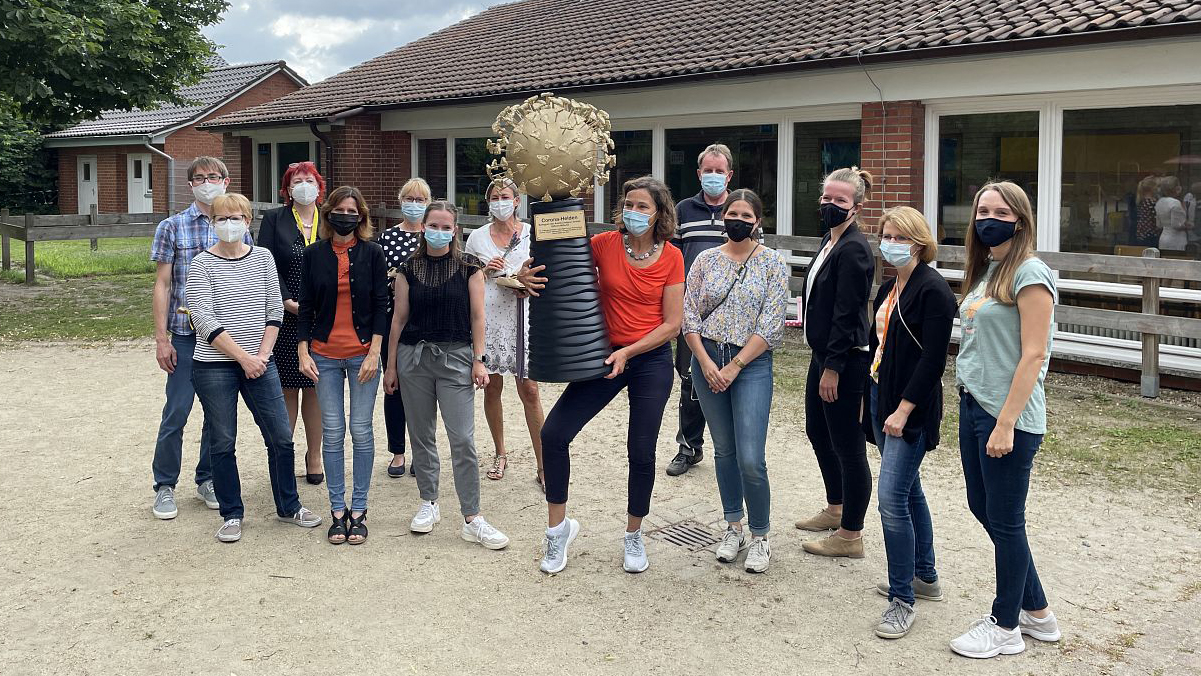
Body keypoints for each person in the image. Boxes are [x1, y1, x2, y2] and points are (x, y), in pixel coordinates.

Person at [518, 175, 685, 575]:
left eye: (643, 206)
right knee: (554, 434)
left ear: (659, 213)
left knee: (641, 451)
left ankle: (633, 535)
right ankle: (558, 531)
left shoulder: (673, 257)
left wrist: (629, 351)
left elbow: (672, 325)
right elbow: (559, 267)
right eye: (629, 204)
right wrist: (525, 273)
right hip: (603, 357)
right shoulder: (604, 244)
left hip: (649, 359)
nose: (633, 212)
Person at [950, 181, 1060, 659]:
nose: (987, 218)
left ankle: (1006, 625)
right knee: (985, 508)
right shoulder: (988, 269)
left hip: (1007, 416)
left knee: (1007, 521)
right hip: (974, 404)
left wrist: (1006, 423)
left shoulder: (1030, 272)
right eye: (981, 210)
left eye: (999, 211)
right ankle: (1038, 612)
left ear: (1020, 219)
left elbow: (1035, 354)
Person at [186, 192, 323, 542]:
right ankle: (232, 512)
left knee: (280, 435)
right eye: (222, 218)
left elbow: (273, 309)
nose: (229, 224)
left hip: (263, 363)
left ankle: (289, 506)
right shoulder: (201, 264)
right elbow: (202, 317)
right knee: (222, 440)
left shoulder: (262, 258)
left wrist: (261, 355)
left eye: (236, 218)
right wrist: (243, 358)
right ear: (213, 223)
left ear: (248, 222)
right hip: (215, 366)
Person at [382, 201, 511, 550]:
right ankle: (429, 502)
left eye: (446, 226)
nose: (439, 231)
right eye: (433, 225)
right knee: (421, 435)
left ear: (455, 229)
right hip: (414, 358)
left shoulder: (470, 266)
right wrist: (391, 364)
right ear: (423, 227)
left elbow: (478, 316)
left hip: (456, 357)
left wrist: (479, 360)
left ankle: (472, 516)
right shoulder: (408, 267)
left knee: (463, 439)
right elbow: (398, 319)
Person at [862, 206, 957, 640]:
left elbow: (933, 360)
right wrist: (874, 403)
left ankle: (902, 599)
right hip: (883, 396)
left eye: (900, 236)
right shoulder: (888, 288)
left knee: (890, 500)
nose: (890, 243)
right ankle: (924, 576)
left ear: (919, 242)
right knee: (909, 489)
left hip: (910, 407)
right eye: (886, 235)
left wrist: (903, 410)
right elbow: (877, 347)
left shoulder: (933, 291)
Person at [682, 189, 787, 574]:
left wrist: (734, 366)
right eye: (732, 213)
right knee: (723, 450)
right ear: (722, 217)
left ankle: (760, 535)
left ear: (757, 221)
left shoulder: (773, 264)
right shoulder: (706, 261)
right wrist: (707, 363)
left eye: (746, 214)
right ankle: (733, 526)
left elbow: (772, 324)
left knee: (751, 457)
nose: (738, 220)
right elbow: (689, 315)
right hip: (707, 358)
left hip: (751, 364)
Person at [148, 156, 252, 520]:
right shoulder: (172, 227)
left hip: (222, 339)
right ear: (190, 184)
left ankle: (207, 477)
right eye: (199, 178)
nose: (207, 182)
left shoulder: (237, 225)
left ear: (226, 181)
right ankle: (164, 484)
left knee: (217, 414)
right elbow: (163, 284)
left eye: (214, 176)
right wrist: (162, 339)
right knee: (177, 410)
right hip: (185, 335)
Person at [297, 186, 389, 545]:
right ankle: (338, 510)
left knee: (361, 430)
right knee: (333, 433)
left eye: (353, 211)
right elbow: (305, 306)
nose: (346, 216)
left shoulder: (373, 253)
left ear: (361, 217)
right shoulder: (314, 254)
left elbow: (382, 304)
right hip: (323, 355)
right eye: (340, 209)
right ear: (329, 212)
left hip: (363, 354)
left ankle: (361, 508)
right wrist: (303, 351)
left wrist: (374, 354)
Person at [794, 166, 875, 560]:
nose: (829, 205)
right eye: (826, 197)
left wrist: (833, 368)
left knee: (847, 445)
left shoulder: (855, 248)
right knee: (817, 431)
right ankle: (836, 505)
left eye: (839, 200)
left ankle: (850, 535)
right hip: (820, 354)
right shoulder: (829, 239)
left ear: (856, 207)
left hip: (843, 362)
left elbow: (848, 312)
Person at [464, 178, 546, 488]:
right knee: (492, 387)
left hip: (523, 317)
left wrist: (524, 279)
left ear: (516, 200)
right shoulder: (477, 238)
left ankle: (543, 464)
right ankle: (500, 452)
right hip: (489, 318)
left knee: (530, 390)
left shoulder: (529, 233)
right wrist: (485, 271)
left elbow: (542, 270)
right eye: (495, 197)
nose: (501, 201)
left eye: (506, 196)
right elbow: (469, 277)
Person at [666, 143, 734, 477]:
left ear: (729, 175)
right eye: (708, 170)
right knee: (692, 380)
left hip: (733, 315)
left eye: (719, 171)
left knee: (731, 379)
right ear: (699, 173)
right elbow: (673, 261)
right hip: (691, 312)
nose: (713, 176)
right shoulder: (683, 210)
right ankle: (688, 448)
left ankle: (731, 450)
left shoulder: (741, 208)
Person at [257, 161, 326, 484]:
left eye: (308, 179)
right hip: (285, 314)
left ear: (318, 185)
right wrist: (286, 301)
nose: (303, 185)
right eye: (297, 180)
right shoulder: (274, 219)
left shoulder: (330, 218)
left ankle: (315, 456)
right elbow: (266, 264)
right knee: (287, 388)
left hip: (325, 315)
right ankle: (284, 454)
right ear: (287, 189)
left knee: (316, 387)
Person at [378, 177, 432, 478]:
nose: (415, 205)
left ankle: (421, 450)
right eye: (410, 199)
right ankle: (398, 451)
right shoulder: (386, 238)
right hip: (393, 320)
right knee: (394, 383)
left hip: (427, 321)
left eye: (421, 200)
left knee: (424, 388)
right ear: (401, 202)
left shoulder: (436, 236)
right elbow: (379, 279)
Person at [1156, 176, 1189, 253]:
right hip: (1176, 239)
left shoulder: (1160, 202)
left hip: (1163, 237)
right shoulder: (1175, 203)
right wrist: (1188, 225)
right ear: (1176, 188)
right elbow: (1177, 225)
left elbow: (1158, 224)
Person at [1134, 175, 1159, 247]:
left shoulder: (1141, 201)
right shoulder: (1151, 202)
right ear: (1152, 188)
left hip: (1141, 233)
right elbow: (1155, 218)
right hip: (1150, 233)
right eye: (1157, 187)